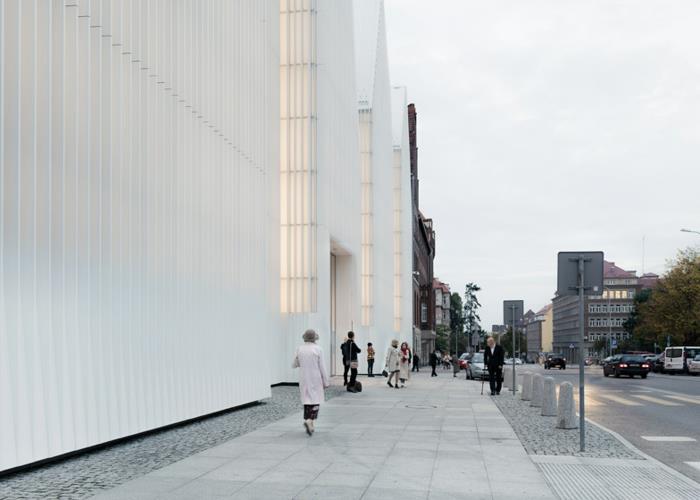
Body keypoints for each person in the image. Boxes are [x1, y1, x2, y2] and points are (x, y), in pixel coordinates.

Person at [292, 329, 330, 436]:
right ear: (314, 338)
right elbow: (322, 367)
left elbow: (294, 364)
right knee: (315, 399)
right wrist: (326, 381)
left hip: (304, 377)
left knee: (307, 399)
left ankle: (310, 422)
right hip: (315, 377)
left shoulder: (299, 349)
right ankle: (310, 420)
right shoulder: (318, 349)